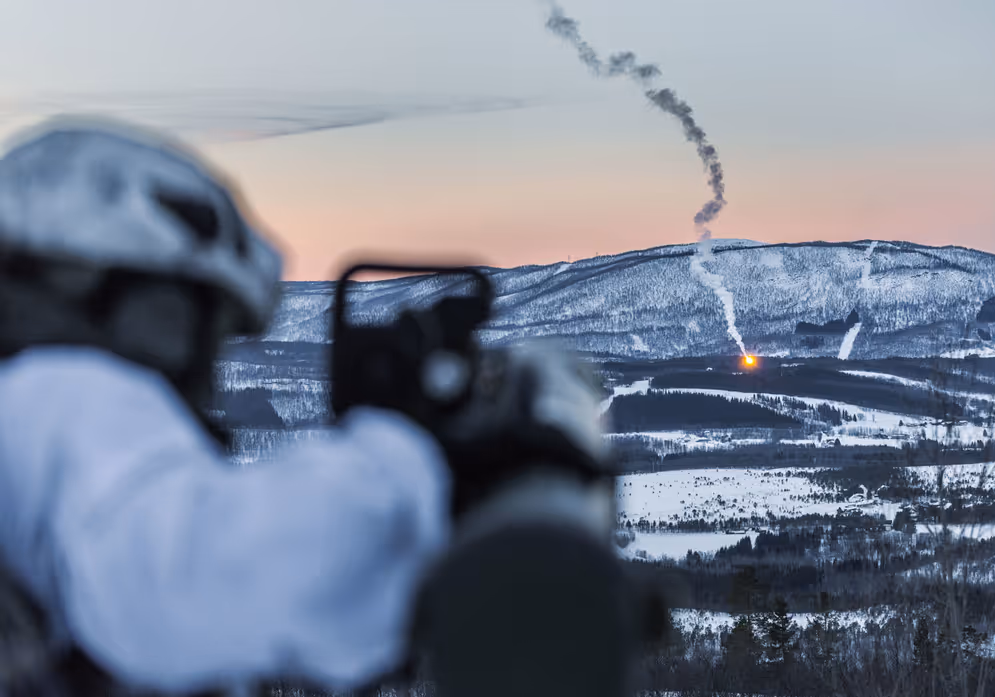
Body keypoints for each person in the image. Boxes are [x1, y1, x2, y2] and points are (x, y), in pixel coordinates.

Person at [0, 118, 609, 695]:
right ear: (85, 282)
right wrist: (404, 453)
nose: (203, 370)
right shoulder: (60, 388)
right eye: (192, 324)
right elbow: (194, 582)